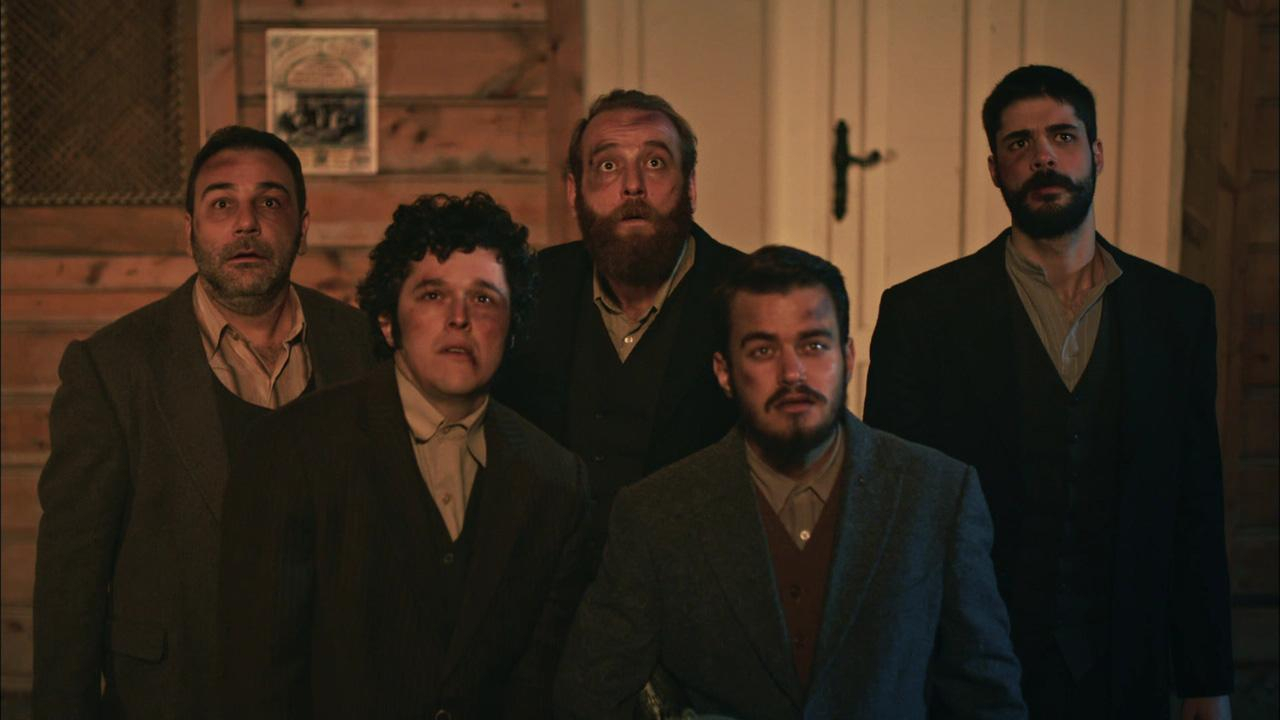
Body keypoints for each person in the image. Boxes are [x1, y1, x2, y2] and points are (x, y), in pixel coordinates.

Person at [864, 65, 1233, 719]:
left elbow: (1196, 502)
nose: (1043, 157)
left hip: (1127, 665)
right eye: (1019, 143)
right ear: (994, 169)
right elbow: (895, 513)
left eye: (1062, 136)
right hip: (969, 668)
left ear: (1096, 153)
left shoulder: (1177, 312)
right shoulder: (921, 314)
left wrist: (1207, 681)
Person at [556, 246, 1025, 719]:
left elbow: (987, 699)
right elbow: (588, 701)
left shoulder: (938, 496)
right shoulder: (655, 515)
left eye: (814, 346)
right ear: (724, 372)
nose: (792, 373)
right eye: (763, 350)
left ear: (847, 357)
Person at [30, 126, 374, 718]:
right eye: (222, 204)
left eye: (270, 202)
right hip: (175, 696)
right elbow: (71, 578)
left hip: (333, 693)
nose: (246, 224)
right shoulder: (113, 367)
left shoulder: (361, 345)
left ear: (303, 225)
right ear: (189, 229)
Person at [219, 192, 590, 718]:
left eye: (484, 299)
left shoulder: (556, 480)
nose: (460, 318)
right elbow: (258, 682)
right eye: (433, 295)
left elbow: (538, 688)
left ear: (511, 329)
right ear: (388, 321)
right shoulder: (292, 450)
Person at [495, 89, 742, 546]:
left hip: (697, 570)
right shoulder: (528, 289)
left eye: (655, 163)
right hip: (557, 575)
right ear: (574, 191)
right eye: (608, 165)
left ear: (690, 186)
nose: (633, 185)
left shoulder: (747, 295)